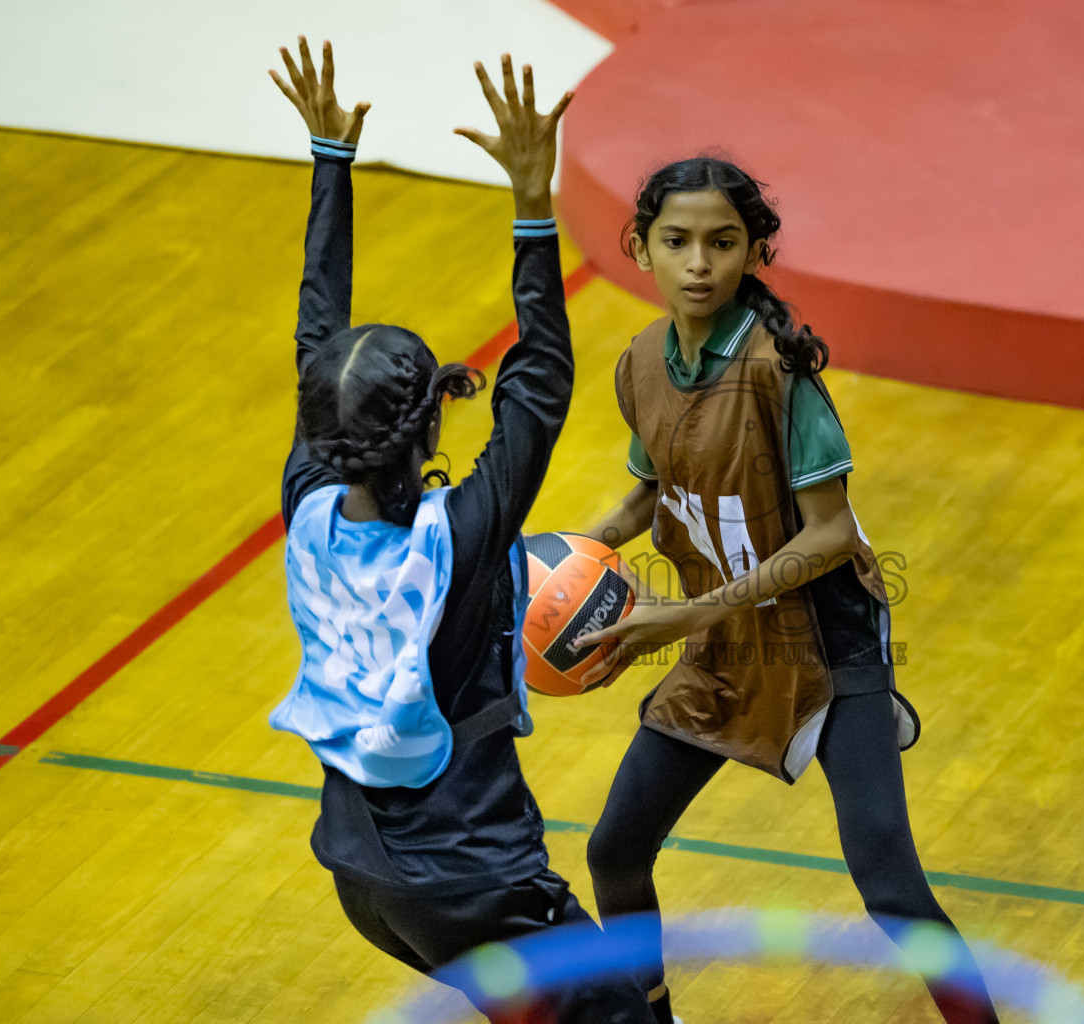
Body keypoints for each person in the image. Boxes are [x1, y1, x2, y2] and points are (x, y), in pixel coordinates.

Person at [266, 36, 651, 1024]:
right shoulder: (459, 539)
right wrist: (532, 202)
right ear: (433, 420)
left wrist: (330, 165)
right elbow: (541, 385)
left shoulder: (306, 500)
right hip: (480, 884)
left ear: (320, 426)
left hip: (361, 873)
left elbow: (320, 339)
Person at [574, 157, 1000, 1024]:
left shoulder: (780, 371)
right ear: (640, 249)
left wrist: (685, 615)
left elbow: (831, 534)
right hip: (728, 644)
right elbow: (651, 490)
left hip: (827, 643)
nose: (699, 263)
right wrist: (563, 553)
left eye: (722, 243)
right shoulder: (643, 363)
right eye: (677, 242)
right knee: (617, 850)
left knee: (891, 890)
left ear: (753, 252)